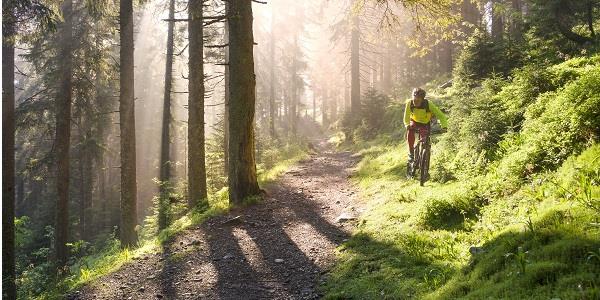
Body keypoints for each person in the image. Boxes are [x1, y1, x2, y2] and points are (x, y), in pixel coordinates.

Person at [403, 88, 448, 162]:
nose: (415, 102)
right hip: (414, 121)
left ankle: (424, 161)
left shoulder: (428, 104)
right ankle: (411, 153)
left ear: (422, 99)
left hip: (425, 123)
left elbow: (440, 115)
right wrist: (407, 125)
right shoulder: (409, 103)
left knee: (425, 141)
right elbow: (406, 116)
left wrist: (444, 126)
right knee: (410, 130)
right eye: (414, 99)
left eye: (418, 100)